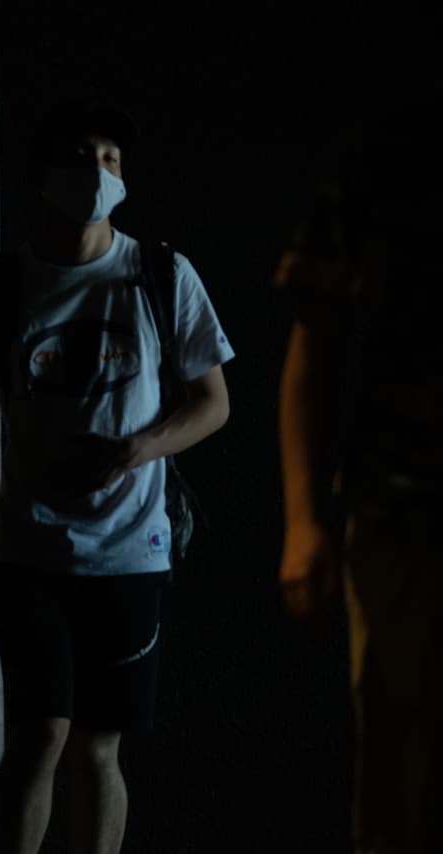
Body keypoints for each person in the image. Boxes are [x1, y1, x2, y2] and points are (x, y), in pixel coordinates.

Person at [0, 101, 233, 853]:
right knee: (37, 739)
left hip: (132, 554)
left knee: (98, 748)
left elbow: (214, 404)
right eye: (80, 157)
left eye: (111, 159)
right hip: (30, 553)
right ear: (43, 177)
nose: (96, 173)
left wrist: (141, 448)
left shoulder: (162, 273)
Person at [274, 104, 441, 854]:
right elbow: (314, 351)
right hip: (403, 512)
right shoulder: (387, 163)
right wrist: (305, 521)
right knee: (403, 766)